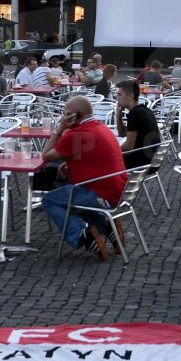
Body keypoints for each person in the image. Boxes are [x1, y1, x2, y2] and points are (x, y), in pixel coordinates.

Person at [37, 95, 128, 261]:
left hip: (99, 192)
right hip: (118, 189)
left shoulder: (76, 134)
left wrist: (60, 128)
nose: (63, 117)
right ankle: (106, 226)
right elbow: (88, 153)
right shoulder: (100, 127)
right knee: (70, 198)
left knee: (50, 201)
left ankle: (81, 235)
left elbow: (46, 156)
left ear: (75, 115)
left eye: (66, 114)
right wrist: (70, 165)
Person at [115, 80, 160, 170]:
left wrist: (112, 151)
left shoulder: (135, 114)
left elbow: (128, 146)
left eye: (119, 95)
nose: (117, 98)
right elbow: (122, 133)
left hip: (142, 162)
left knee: (104, 162)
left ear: (130, 96)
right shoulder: (143, 110)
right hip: (153, 160)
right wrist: (118, 114)